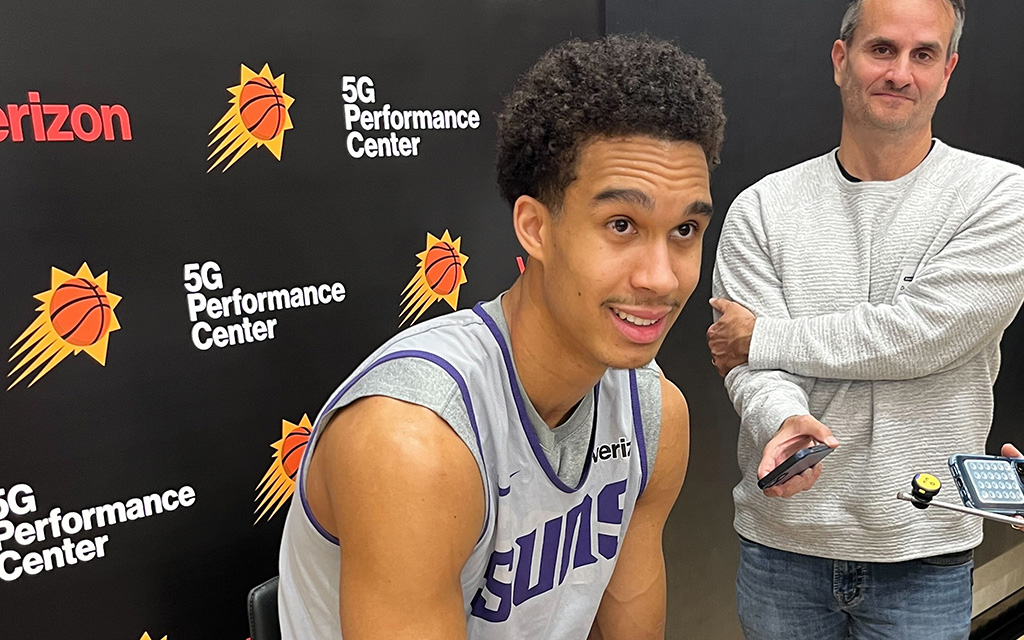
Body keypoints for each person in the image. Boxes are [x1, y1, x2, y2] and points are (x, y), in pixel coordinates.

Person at [278, 34, 726, 639]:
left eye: (685, 230)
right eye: (621, 225)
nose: (661, 277)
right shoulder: (415, 440)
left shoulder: (653, 414)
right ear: (536, 229)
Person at [706, 0, 1024, 638]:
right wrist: (780, 417)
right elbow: (745, 369)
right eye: (882, 49)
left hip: (923, 553)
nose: (900, 72)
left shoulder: (1001, 196)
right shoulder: (761, 208)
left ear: (947, 70)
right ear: (840, 59)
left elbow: (919, 335)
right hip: (783, 547)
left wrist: (765, 336)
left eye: (923, 54)